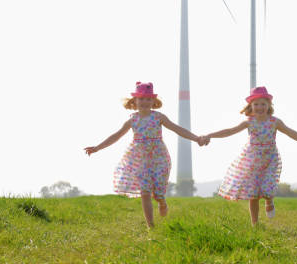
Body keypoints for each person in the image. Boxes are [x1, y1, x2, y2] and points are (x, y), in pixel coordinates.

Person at [84, 82, 207, 228]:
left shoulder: (159, 117)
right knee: (145, 192)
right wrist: (97, 147)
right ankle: (151, 227)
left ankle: (162, 201)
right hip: (139, 159)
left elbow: (177, 129)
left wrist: (196, 138)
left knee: (158, 193)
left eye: (148, 99)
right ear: (134, 101)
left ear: (153, 102)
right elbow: (116, 136)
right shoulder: (132, 120)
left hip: (159, 157)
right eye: (141, 99)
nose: (144, 102)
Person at [205, 86, 297, 225]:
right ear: (251, 106)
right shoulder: (249, 122)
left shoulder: (274, 122)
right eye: (256, 104)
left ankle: (269, 201)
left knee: (267, 187)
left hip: (270, 158)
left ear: (269, 105)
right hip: (252, 160)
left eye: (263, 104)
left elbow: (290, 132)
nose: (260, 107)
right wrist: (210, 135)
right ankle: (255, 224)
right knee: (253, 195)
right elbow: (229, 131)